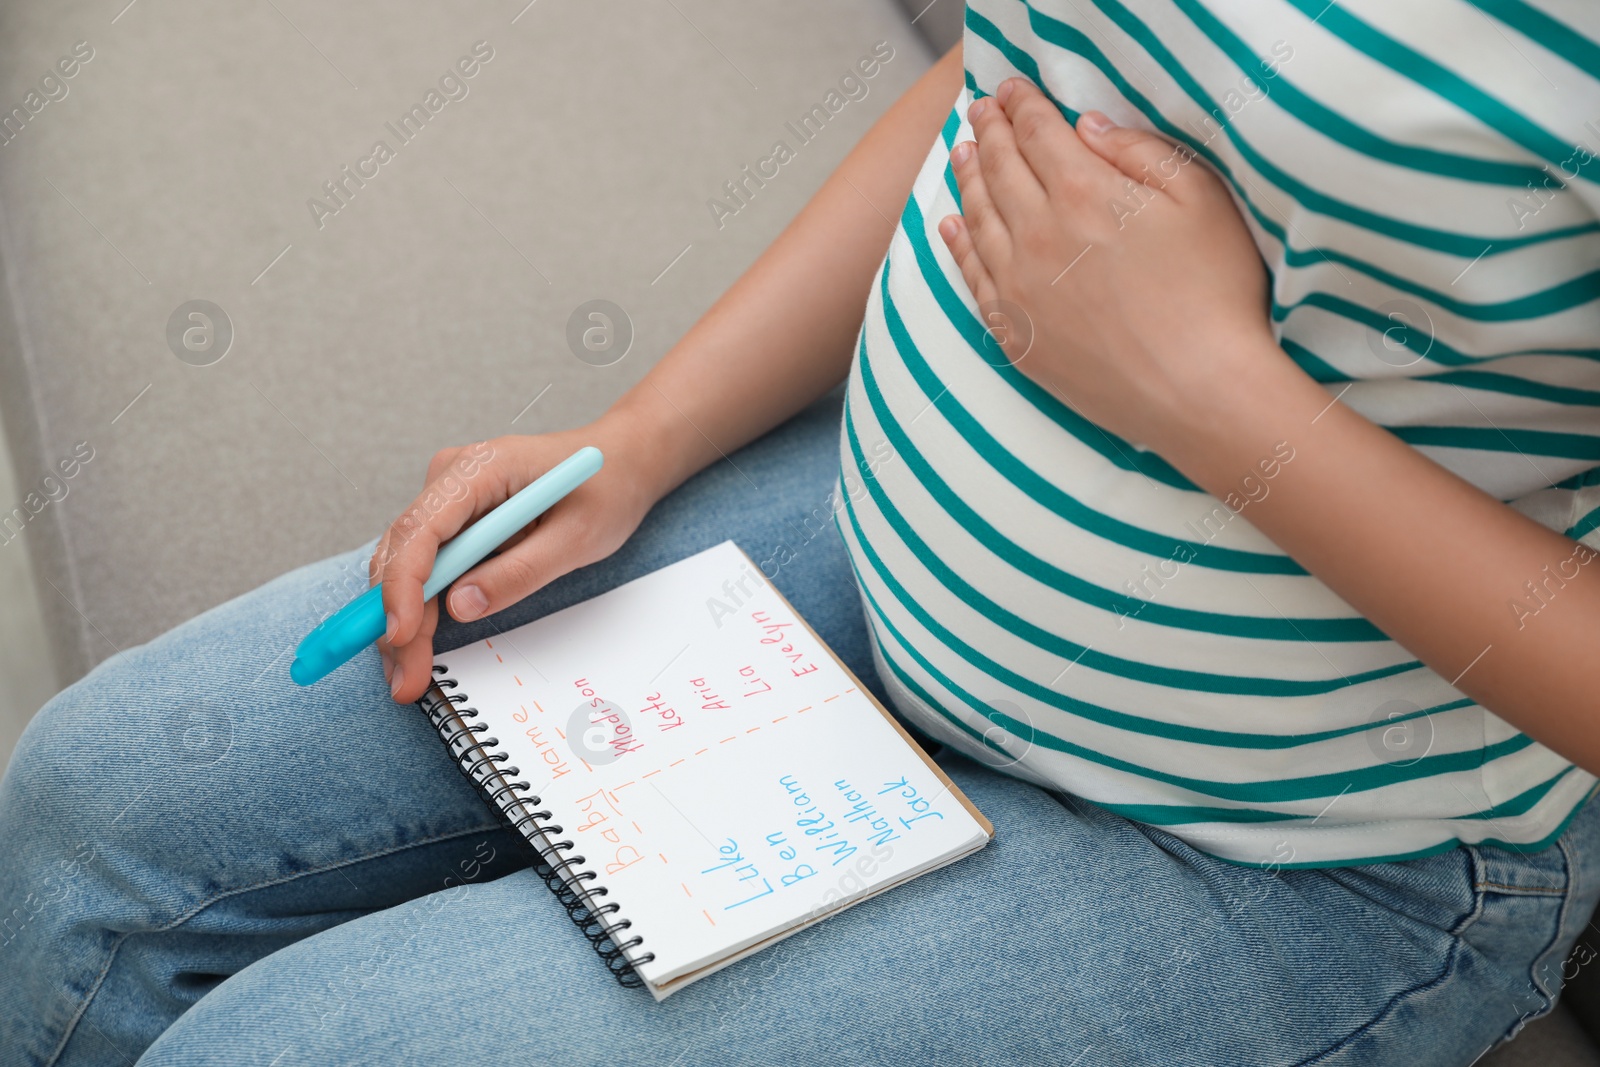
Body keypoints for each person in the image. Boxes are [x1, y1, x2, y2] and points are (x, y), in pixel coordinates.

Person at [5, 3, 1600, 1064]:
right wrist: (644, 435)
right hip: (885, 529)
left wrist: (1207, 392)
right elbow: (1008, 89)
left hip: (1291, 843)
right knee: (97, 807)